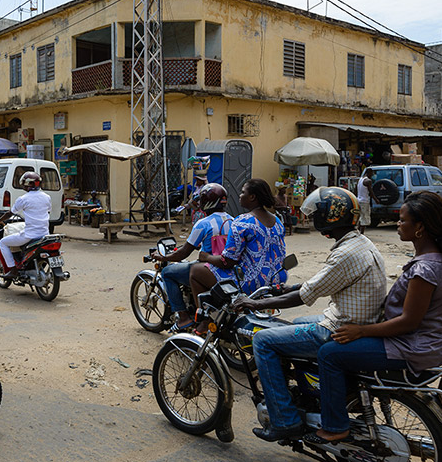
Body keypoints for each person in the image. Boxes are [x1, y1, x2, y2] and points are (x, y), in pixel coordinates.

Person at [311, 191, 442, 444]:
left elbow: (409, 322)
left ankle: (335, 426)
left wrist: (360, 331)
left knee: (329, 353)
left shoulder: (425, 269)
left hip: (413, 347)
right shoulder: (438, 260)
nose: (398, 224)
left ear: (420, 227)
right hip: (431, 344)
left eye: (403, 220)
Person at [233, 187, 387, 442]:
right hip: (355, 318)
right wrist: (287, 287)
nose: (314, 217)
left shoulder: (344, 254)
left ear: (330, 217)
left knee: (263, 340)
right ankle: (309, 389)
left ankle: (284, 419)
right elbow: (323, 282)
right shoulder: (359, 243)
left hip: (339, 328)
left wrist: (255, 304)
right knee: (297, 324)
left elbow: (305, 296)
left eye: (318, 213)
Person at [189, 179, 287, 329]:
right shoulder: (277, 221)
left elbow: (227, 261)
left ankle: (205, 319)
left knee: (195, 271)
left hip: (249, 281)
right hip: (275, 279)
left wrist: (205, 256)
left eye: (243, 192)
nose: (240, 196)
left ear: (252, 197)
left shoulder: (243, 222)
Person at [149, 183, 232, 331]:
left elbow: (183, 253)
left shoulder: (203, 223)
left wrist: (163, 257)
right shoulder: (233, 221)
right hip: (229, 271)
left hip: (208, 269)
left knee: (168, 273)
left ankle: (183, 317)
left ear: (207, 202)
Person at [0, 171, 52, 279]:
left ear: (27, 184)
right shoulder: (47, 197)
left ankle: (13, 270)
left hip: (30, 235)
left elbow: (10, 213)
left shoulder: (23, 199)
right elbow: (47, 211)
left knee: (3, 242)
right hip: (45, 234)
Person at [356, 168, 379, 235]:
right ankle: (361, 234)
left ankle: (358, 233)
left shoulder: (360, 180)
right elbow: (371, 192)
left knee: (361, 217)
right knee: (365, 218)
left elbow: (355, 189)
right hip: (364, 201)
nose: (372, 175)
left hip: (359, 200)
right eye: (372, 174)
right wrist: (376, 200)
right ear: (369, 173)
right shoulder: (368, 181)